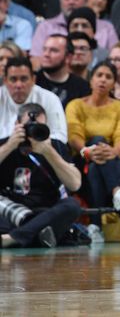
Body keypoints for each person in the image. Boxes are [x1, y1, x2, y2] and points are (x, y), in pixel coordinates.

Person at [66, 61, 120, 243]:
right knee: (96, 142)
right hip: (82, 157)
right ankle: (117, 191)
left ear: (113, 84)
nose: (103, 80)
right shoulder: (76, 105)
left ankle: (95, 226)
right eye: (99, 75)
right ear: (91, 80)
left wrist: (113, 151)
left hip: (116, 160)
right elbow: (74, 136)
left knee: (97, 165)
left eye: (108, 77)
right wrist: (88, 151)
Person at [0, 103, 82, 248]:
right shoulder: (5, 144)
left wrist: (48, 152)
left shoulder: (56, 146)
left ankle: (14, 238)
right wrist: (10, 146)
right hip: (12, 212)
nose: (33, 132)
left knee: (72, 205)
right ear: (17, 124)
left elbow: (75, 184)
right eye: (28, 127)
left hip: (46, 210)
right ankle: (37, 236)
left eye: (39, 127)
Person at [0, 57, 68, 144]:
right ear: (5, 81)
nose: (18, 85)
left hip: (41, 151)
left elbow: (61, 137)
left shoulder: (50, 98)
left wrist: (33, 141)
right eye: (13, 79)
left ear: (33, 80)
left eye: (24, 79)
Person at [36, 35, 90, 108]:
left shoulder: (82, 88)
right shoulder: (32, 80)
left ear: (68, 57)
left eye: (54, 50)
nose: (46, 54)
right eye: (44, 49)